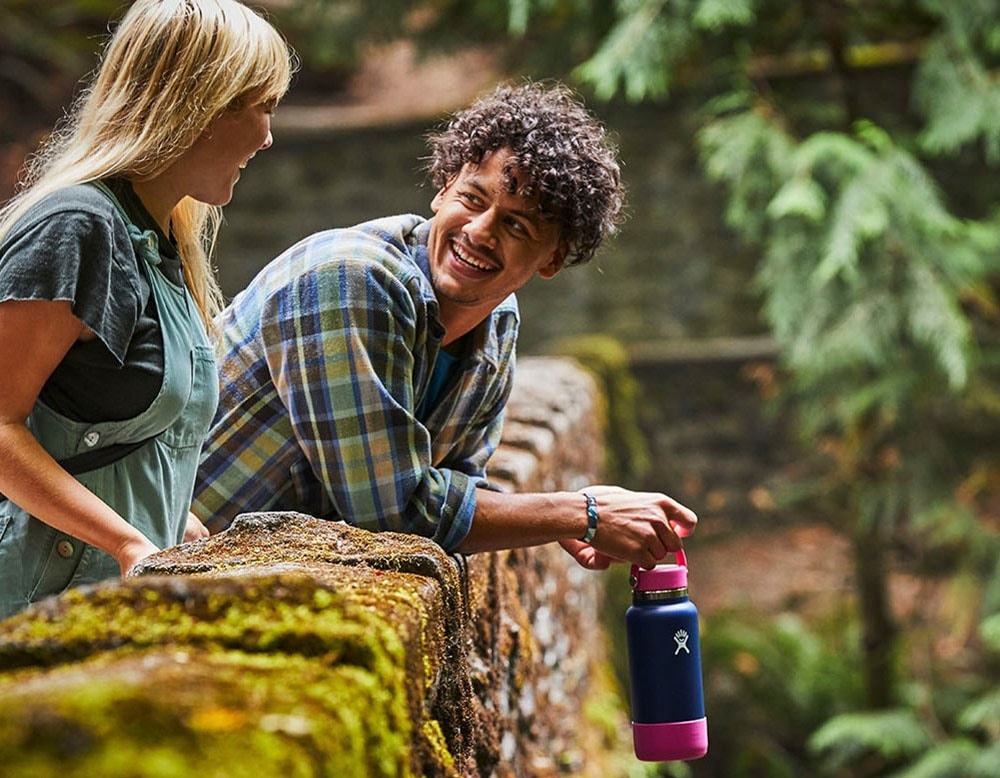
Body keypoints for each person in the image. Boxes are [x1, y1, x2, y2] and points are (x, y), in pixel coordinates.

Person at [194, 81, 697, 570]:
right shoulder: (348, 276)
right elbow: (391, 510)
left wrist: (557, 523)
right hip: (154, 579)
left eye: (516, 225)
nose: (479, 232)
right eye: (473, 200)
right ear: (442, 189)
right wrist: (579, 515)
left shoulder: (496, 324)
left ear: (552, 259)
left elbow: (449, 484)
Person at [0, 0, 294, 619]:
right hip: (29, 611)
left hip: (104, 611)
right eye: (261, 105)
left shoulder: (163, 243)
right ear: (200, 103)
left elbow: (135, 448)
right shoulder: (77, 227)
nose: (268, 136)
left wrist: (178, 534)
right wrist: (128, 543)